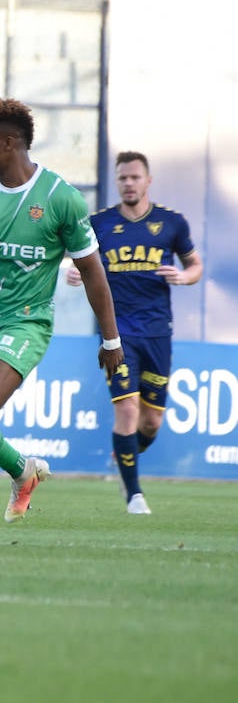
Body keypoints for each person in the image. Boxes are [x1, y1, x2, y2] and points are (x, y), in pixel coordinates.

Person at [0, 98, 123, 546]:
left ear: (8, 143)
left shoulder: (61, 198)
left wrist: (111, 338)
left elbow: (93, 271)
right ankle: (23, 470)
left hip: (27, 324)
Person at [65, 150, 203, 515]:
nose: (128, 183)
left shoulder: (171, 224)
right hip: (118, 333)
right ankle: (134, 496)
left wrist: (184, 277)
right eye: (123, 178)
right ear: (118, 182)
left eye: (135, 177)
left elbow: (195, 265)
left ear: (148, 180)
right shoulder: (99, 224)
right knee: (126, 409)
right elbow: (79, 260)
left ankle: (124, 453)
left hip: (158, 332)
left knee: (151, 422)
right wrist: (75, 272)